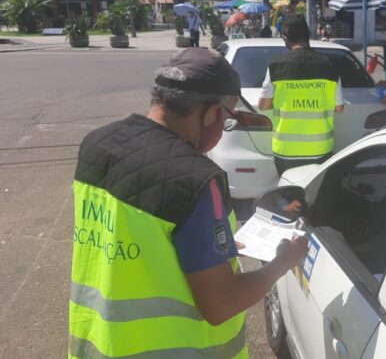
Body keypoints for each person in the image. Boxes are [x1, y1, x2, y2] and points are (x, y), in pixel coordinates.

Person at [69, 47, 309, 358]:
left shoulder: (96, 145)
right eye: (227, 116)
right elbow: (221, 304)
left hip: (99, 346)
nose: (223, 126)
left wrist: (210, 248)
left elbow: (134, 239)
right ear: (210, 113)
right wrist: (282, 263)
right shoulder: (196, 180)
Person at [258, 14, 344, 176]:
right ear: (307, 35)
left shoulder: (275, 66)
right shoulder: (329, 65)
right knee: (315, 197)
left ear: (285, 38)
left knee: (290, 195)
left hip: (286, 151)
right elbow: (339, 108)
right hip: (320, 150)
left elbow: (263, 105)